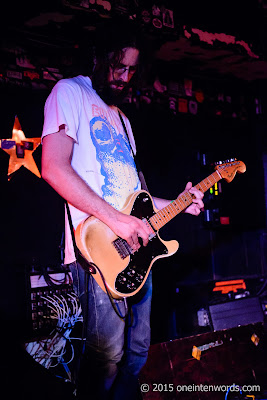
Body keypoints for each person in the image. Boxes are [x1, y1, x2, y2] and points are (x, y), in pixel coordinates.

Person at [41, 17, 204, 400]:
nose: (124, 76)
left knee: (137, 353)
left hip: (138, 249)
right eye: (118, 66)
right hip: (97, 247)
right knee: (106, 357)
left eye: (131, 69)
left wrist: (183, 203)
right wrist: (116, 220)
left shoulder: (123, 121)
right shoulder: (70, 93)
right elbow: (53, 167)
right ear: (99, 58)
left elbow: (140, 198)